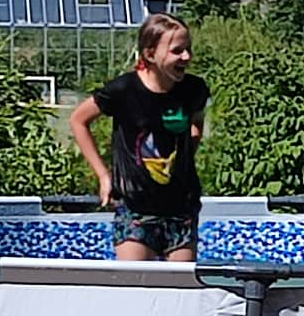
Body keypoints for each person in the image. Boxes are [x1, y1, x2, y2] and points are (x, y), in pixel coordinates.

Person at [70, 14, 209, 262]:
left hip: (181, 206)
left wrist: (184, 158)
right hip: (135, 206)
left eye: (188, 49)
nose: (187, 57)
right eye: (178, 50)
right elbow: (79, 120)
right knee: (135, 287)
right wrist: (103, 175)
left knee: (180, 292)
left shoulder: (194, 89)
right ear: (150, 53)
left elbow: (196, 124)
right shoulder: (124, 91)